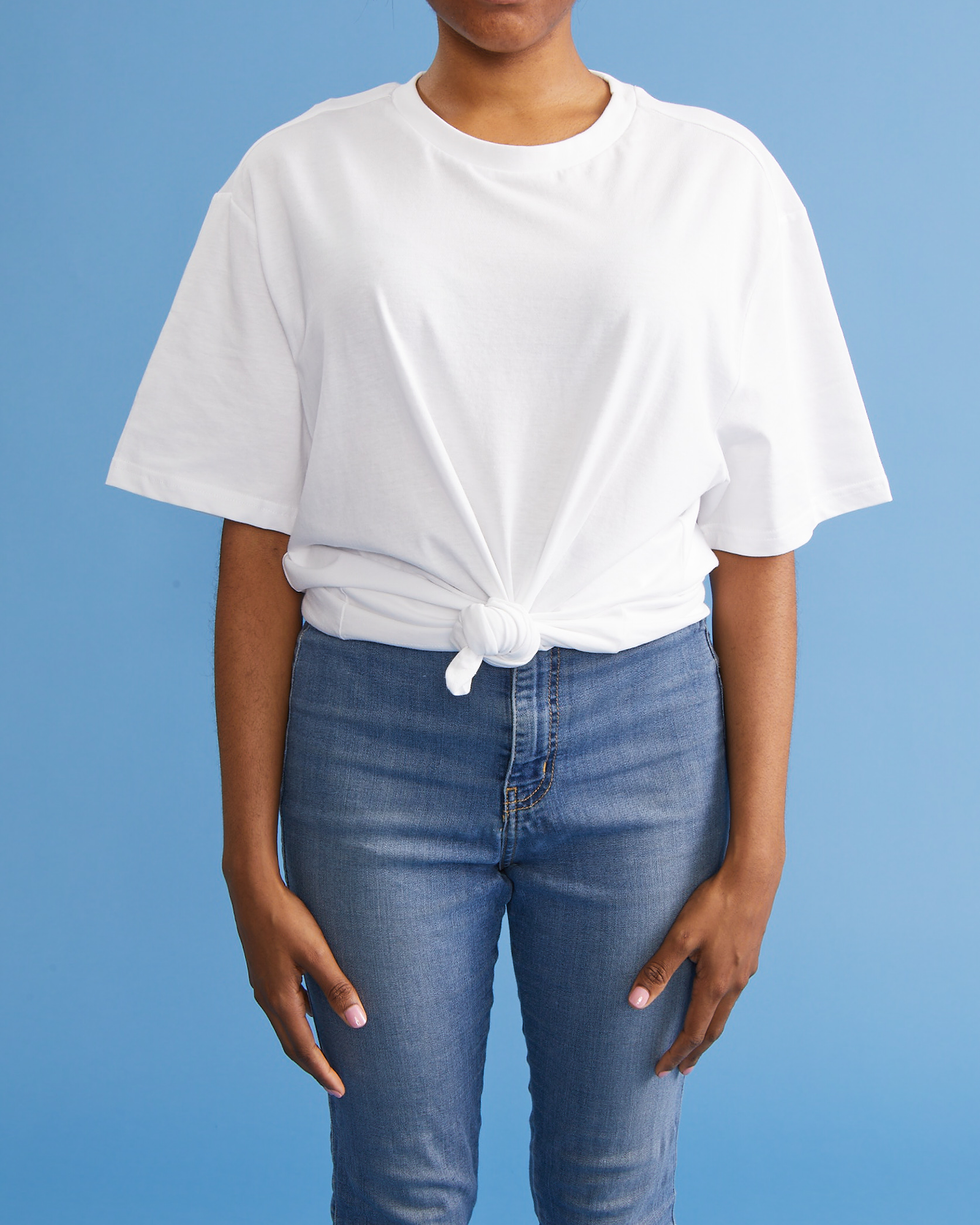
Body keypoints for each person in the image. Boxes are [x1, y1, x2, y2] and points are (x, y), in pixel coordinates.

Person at [105, 2, 891, 1222]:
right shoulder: (299, 178)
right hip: (373, 740)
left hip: (644, 731)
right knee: (397, 1192)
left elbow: (755, 546)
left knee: (612, 1191)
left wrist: (759, 851)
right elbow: (253, 534)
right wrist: (241, 855)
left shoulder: (715, 179)